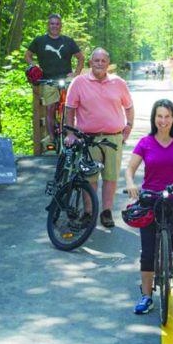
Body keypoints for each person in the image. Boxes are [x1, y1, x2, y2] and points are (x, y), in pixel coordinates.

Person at [125, 99, 173, 315]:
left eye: (167, 116)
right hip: (151, 199)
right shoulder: (146, 142)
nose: (163, 121)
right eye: (159, 116)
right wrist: (131, 184)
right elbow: (130, 169)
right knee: (147, 251)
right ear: (154, 118)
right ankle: (147, 296)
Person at [64, 48, 134, 228]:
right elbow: (70, 109)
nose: (100, 64)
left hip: (113, 138)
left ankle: (106, 212)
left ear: (108, 63)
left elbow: (129, 106)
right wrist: (70, 133)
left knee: (110, 177)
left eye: (103, 61)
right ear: (90, 63)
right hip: (89, 139)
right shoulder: (79, 82)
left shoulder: (118, 83)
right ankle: (89, 212)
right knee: (90, 178)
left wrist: (129, 126)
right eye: (96, 60)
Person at [25, 14, 85, 149]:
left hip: (66, 78)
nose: (54, 26)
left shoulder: (68, 41)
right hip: (47, 79)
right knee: (50, 107)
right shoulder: (40, 41)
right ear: (48, 25)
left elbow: (81, 58)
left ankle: (72, 132)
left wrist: (76, 74)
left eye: (57, 24)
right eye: (52, 23)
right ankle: (52, 137)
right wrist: (34, 66)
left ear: (61, 25)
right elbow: (27, 55)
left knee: (70, 106)